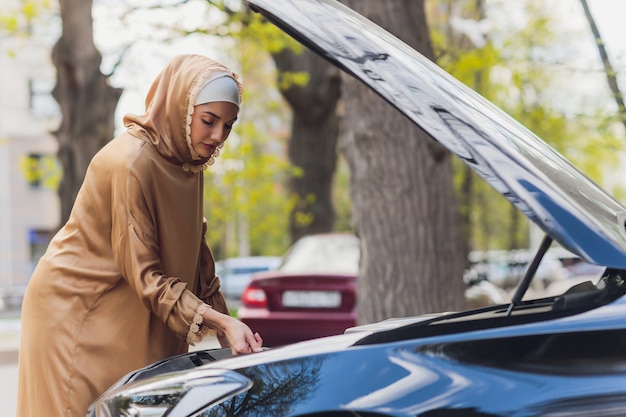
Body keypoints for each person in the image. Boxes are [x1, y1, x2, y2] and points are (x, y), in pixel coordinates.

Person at [16, 54, 263, 417]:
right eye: (209, 121)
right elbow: (147, 275)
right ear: (181, 107)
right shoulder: (131, 163)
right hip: (77, 310)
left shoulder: (188, 162)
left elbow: (197, 252)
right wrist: (219, 321)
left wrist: (226, 326)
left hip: (127, 303)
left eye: (228, 125)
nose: (218, 137)